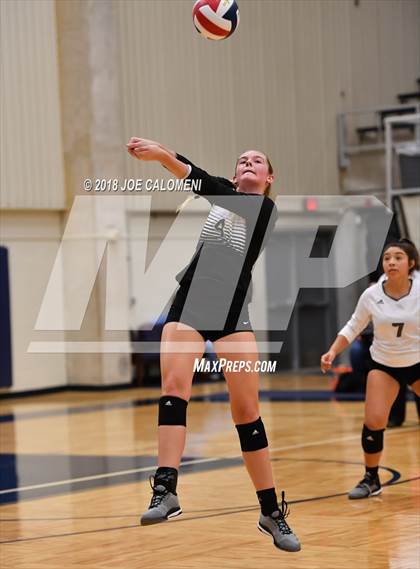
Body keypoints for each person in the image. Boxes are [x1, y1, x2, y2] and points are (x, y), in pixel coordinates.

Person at [126, 137, 301, 552]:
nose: (248, 162)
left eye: (257, 160)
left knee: (246, 410)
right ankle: (166, 489)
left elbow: (199, 179)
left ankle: (270, 511)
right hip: (189, 304)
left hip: (232, 313)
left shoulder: (263, 208)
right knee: (174, 388)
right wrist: (164, 154)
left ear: (268, 178)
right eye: (242, 159)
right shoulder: (225, 195)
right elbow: (201, 177)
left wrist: (165, 156)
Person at [321, 239, 420, 499]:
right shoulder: (372, 294)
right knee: (374, 421)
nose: (391, 262)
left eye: (398, 257)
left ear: (411, 263)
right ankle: (371, 479)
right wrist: (333, 351)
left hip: (418, 361)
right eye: (387, 258)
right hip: (384, 363)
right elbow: (354, 326)